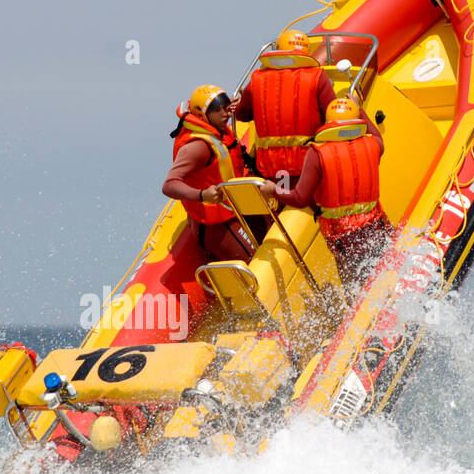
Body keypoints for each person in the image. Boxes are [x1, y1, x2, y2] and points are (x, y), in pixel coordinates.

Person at [261, 97, 389, 284]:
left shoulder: (317, 153)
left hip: (344, 239)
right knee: (385, 275)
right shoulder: (374, 145)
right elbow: (375, 134)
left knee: (355, 288)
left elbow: (299, 198)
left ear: (328, 123)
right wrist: (359, 108)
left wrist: (274, 190)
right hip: (375, 229)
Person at [162, 84, 260, 261]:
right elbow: (169, 185)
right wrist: (202, 195)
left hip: (236, 209)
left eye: (226, 107)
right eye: (218, 110)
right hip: (216, 226)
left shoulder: (217, 128)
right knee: (257, 259)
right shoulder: (198, 147)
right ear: (202, 115)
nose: (226, 114)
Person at [233, 30, 337, 188]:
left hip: (269, 168)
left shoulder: (257, 78)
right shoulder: (317, 76)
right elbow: (334, 117)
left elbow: (242, 114)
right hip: (307, 166)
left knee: (275, 209)